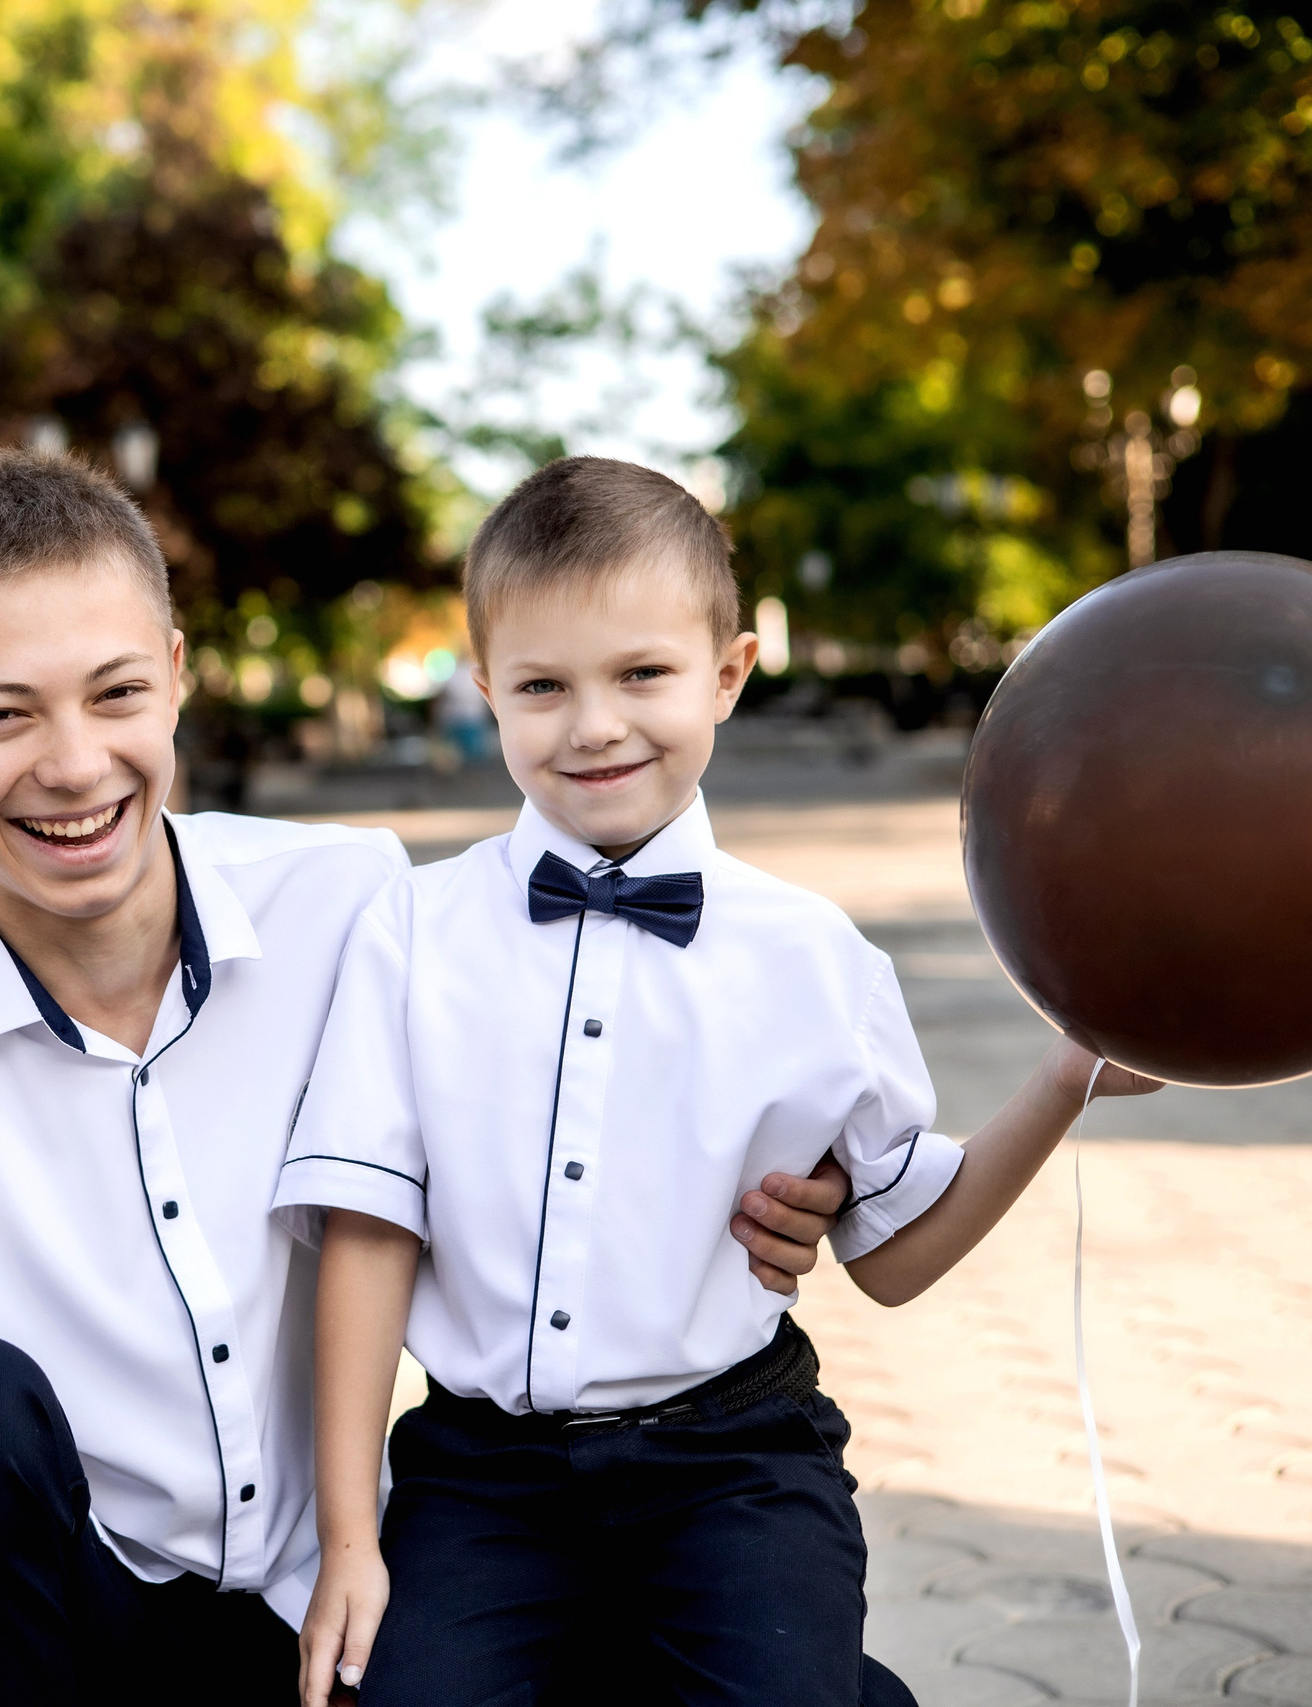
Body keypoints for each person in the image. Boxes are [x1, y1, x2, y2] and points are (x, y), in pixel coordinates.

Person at [0, 450, 852, 1706]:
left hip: (347, 1620)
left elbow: (586, 1066)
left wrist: (791, 1182)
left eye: (115, 693)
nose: (75, 763)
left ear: (178, 679)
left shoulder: (358, 908)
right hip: (62, 1647)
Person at [279, 456, 1162, 1707]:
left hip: (731, 1462)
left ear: (729, 674)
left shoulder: (816, 959)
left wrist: (1067, 1075)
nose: (593, 724)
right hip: (480, 1479)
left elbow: (895, 1256)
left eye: (642, 673)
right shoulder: (409, 933)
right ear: (485, 691)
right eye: (542, 686)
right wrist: (350, 1539)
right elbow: (368, 1235)